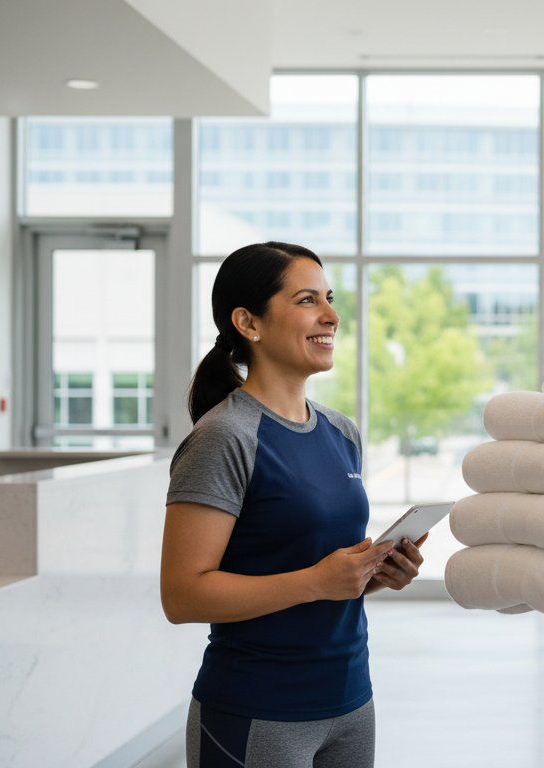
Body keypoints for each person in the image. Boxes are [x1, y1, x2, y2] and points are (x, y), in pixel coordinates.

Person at [161, 241, 426, 768]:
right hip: (257, 710)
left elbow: (316, 567)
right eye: (308, 300)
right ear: (248, 323)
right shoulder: (225, 437)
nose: (331, 316)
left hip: (351, 702)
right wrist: (317, 581)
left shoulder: (341, 432)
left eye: (329, 298)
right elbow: (182, 596)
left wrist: (372, 573)